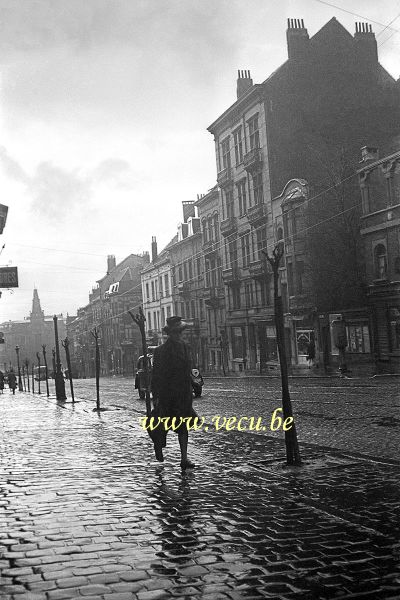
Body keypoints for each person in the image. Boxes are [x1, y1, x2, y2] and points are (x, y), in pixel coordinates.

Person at [151, 316, 196, 470]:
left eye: (180, 332)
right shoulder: (161, 351)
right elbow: (156, 375)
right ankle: (158, 444)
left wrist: (191, 385)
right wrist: (155, 396)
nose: (179, 335)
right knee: (164, 424)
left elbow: (187, 370)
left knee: (184, 426)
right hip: (168, 394)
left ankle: (184, 458)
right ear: (170, 334)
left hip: (183, 394)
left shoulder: (185, 347)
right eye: (176, 332)